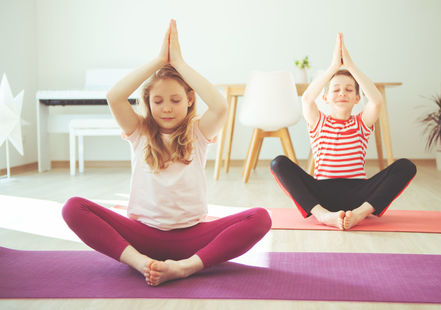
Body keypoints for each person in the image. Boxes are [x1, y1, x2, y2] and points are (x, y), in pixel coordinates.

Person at [62, 20, 271, 286]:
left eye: (176, 100)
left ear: (189, 99)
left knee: (260, 218)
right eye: (158, 101)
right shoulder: (139, 131)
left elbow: (220, 105)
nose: (167, 108)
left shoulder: (198, 132)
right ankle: (141, 264)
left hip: (191, 239)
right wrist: (158, 60)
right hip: (141, 237)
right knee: (73, 208)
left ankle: (186, 268)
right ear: (148, 103)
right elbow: (114, 97)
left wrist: (180, 64)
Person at [270, 33, 416, 230]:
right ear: (326, 98)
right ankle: (323, 216)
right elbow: (306, 99)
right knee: (278, 163)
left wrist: (350, 65)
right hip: (321, 193)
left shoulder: (361, 123)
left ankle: (359, 215)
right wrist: (333, 67)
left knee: (406, 166)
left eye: (349, 90)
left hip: (359, 194)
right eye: (336, 89)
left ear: (357, 98)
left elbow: (376, 100)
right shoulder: (318, 122)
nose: (342, 93)